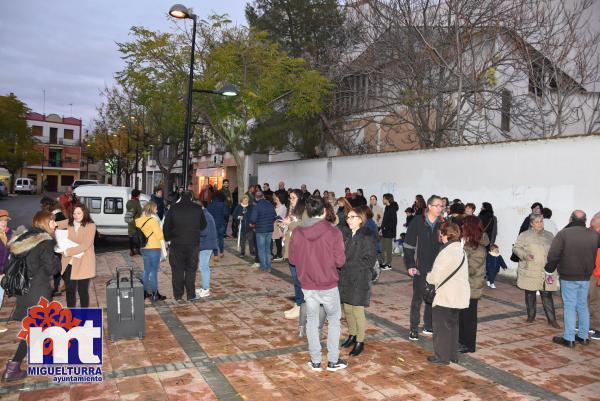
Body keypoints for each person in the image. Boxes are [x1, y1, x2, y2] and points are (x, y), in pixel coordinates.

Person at [288, 196, 347, 372]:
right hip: (328, 283)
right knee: (334, 320)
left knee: (312, 321)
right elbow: (341, 261)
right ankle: (332, 360)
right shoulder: (333, 232)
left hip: (307, 284)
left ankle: (315, 361)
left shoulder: (297, 232)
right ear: (323, 211)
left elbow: (292, 259)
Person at [1, 211, 61, 381]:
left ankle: (41, 359)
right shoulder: (45, 242)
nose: (55, 225)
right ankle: (13, 366)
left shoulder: (24, 239)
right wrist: (58, 255)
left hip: (25, 292)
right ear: (44, 223)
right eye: (52, 222)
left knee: (38, 327)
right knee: (35, 330)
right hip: (38, 292)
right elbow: (53, 269)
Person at [545, 210, 600, 347]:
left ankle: (569, 338)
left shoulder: (564, 234)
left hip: (569, 276)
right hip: (586, 276)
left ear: (571, 219)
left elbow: (553, 254)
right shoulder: (594, 235)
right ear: (585, 220)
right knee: (582, 305)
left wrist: (549, 269)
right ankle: (583, 336)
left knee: (569, 306)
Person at [425, 222, 469, 365]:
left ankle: (441, 357)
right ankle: (452, 355)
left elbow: (435, 277)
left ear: (445, 235)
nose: (440, 235)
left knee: (441, 327)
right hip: (459, 295)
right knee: (453, 326)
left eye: (441, 233)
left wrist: (428, 276)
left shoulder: (446, 252)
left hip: (446, 296)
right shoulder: (461, 250)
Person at [404, 195, 445, 341]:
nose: (440, 208)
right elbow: (408, 245)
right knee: (417, 299)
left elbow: (445, 246)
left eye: (442, 206)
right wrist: (410, 265)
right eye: (437, 206)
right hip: (420, 267)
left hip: (436, 269)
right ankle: (414, 328)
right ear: (429, 206)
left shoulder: (443, 223)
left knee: (432, 297)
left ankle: (428, 325)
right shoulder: (418, 221)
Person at [339, 207, 377, 357]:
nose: (348, 220)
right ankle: (352, 335)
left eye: (352, 217)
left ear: (360, 219)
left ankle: (360, 341)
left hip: (359, 278)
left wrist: (347, 265)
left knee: (357, 311)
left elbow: (369, 260)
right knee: (348, 309)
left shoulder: (367, 236)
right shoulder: (348, 234)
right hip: (346, 276)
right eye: (347, 217)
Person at [512, 214, 559, 327]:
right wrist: (525, 255)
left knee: (547, 294)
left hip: (546, 270)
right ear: (532, 223)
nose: (540, 224)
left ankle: (552, 320)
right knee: (530, 293)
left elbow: (554, 249)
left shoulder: (549, 235)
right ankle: (531, 316)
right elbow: (516, 248)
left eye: (541, 221)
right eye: (537, 222)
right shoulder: (525, 235)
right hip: (530, 269)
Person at [163, 191, 207, 301]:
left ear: (180, 197)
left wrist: (168, 238)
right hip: (193, 244)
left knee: (177, 270)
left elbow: (166, 226)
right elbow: (203, 225)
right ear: (191, 197)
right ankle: (191, 295)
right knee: (191, 270)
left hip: (176, 244)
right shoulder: (197, 208)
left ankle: (178, 296)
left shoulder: (173, 208)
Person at [458, 215, 488, 354]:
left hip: (471, 287)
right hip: (464, 286)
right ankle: (461, 341)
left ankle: (469, 345)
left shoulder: (479, 248)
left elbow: (472, 269)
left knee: (468, 318)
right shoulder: (467, 243)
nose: (462, 228)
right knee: (462, 316)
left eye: (464, 225)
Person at [57, 204, 97, 308]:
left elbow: (86, 244)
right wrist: (51, 222)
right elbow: (53, 225)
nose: (76, 215)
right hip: (69, 263)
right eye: (74, 213)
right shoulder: (69, 223)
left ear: (85, 213)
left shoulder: (90, 225)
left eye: (79, 213)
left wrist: (68, 252)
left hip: (84, 262)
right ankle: (71, 314)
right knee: (70, 290)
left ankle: (84, 315)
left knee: (82, 291)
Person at [280, 190, 307, 320]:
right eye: (290, 198)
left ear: (300, 199)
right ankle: (297, 304)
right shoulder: (292, 210)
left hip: (300, 249)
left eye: (294, 198)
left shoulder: (305, 211)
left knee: (299, 280)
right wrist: (284, 225)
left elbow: (305, 226)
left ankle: (302, 305)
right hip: (291, 247)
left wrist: (289, 224)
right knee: (295, 280)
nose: (291, 200)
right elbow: (291, 227)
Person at [135, 201, 166, 301]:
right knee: (154, 272)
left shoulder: (139, 220)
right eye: (156, 208)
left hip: (144, 248)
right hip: (154, 248)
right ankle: (155, 294)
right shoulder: (153, 221)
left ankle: (144, 293)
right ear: (152, 209)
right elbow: (160, 235)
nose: (157, 210)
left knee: (146, 271)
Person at [40, 197, 67, 296]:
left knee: (56, 267)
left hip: (58, 245)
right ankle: (62, 286)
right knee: (58, 267)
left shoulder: (55, 216)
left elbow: (53, 231)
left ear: (47, 206)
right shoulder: (60, 214)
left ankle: (56, 289)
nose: (42, 208)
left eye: (43, 206)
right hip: (61, 244)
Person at [250, 191, 277, 272]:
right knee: (268, 248)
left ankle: (263, 267)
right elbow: (274, 216)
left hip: (260, 230)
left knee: (261, 249)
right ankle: (268, 267)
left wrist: (252, 223)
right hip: (269, 229)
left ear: (256, 198)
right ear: (263, 196)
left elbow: (253, 219)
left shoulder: (257, 206)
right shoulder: (270, 204)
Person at [197, 204, 217, 298]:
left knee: (203, 267)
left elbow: (204, 232)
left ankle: (206, 289)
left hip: (206, 246)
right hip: (206, 245)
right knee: (204, 267)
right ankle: (204, 287)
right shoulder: (205, 215)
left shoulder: (205, 217)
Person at [207, 192, 229, 261]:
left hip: (213, 224)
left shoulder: (210, 205)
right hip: (221, 223)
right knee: (221, 239)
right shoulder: (223, 204)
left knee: (214, 239)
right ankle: (221, 252)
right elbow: (226, 214)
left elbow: (207, 215)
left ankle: (216, 255)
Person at [0, 210, 12, 334]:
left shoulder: (8, 234)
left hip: (3, 272)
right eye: (1, 221)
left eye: (5, 221)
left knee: (0, 298)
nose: (4, 223)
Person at [380, 193, 398, 271]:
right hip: (385, 231)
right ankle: (384, 262)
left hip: (389, 232)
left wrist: (386, 228)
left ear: (387, 199)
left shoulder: (392, 208)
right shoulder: (387, 207)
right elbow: (384, 219)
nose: (383, 200)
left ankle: (389, 264)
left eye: (383, 198)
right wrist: (381, 228)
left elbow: (394, 222)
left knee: (388, 249)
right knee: (382, 247)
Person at [589, 212, 600, 340]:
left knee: (597, 301)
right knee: (588, 299)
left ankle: (598, 328)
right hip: (589, 272)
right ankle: (590, 324)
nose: (593, 218)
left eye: (597, 217)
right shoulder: (591, 233)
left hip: (598, 274)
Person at [126, 189, 143, 256]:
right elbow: (140, 212)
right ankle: (138, 250)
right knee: (138, 237)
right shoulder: (136, 203)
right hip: (136, 223)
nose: (139, 196)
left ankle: (131, 251)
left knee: (131, 237)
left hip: (130, 222)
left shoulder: (128, 202)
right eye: (139, 195)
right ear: (137, 195)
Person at [272, 193, 287, 262]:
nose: (274, 198)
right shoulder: (275, 206)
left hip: (279, 226)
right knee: (276, 241)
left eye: (276, 197)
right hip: (274, 225)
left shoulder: (283, 207)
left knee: (278, 241)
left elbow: (280, 216)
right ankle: (276, 253)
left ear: (279, 198)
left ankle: (279, 254)